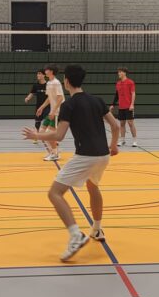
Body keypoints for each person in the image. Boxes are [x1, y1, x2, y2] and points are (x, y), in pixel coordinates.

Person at [22, 64, 120, 261]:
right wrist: (114, 145)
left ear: (66, 81)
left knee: (54, 193)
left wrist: (37, 135)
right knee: (93, 187)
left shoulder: (69, 105)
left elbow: (59, 134)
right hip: (103, 155)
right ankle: (97, 229)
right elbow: (116, 125)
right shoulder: (97, 100)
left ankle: (76, 235)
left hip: (86, 156)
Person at [36, 65, 66, 162]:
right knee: (41, 131)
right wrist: (42, 107)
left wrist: (53, 111)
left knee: (49, 134)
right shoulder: (49, 83)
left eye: (47, 69)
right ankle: (53, 150)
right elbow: (49, 98)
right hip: (52, 111)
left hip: (57, 112)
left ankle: (55, 153)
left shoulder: (56, 83)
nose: (45, 70)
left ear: (51, 71)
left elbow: (60, 97)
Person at [110, 67, 138, 147]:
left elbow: (133, 93)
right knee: (122, 123)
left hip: (128, 106)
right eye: (118, 72)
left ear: (124, 73)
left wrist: (132, 104)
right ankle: (122, 140)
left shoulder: (130, 82)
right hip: (121, 107)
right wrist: (113, 104)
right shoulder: (118, 83)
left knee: (130, 123)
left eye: (120, 72)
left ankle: (135, 140)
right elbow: (117, 95)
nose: (118, 73)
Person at [24, 70, 48, 144]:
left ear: (44, 75)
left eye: (40, 74)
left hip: (47, 106)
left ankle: (51, 138)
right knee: (37, 122)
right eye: (37, 74)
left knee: (49, 122)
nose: (38, 75)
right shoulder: (35, 85)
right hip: (38, 106)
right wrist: (28, 98)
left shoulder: (48, 85)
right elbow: (32, 93)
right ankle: (36, 137)